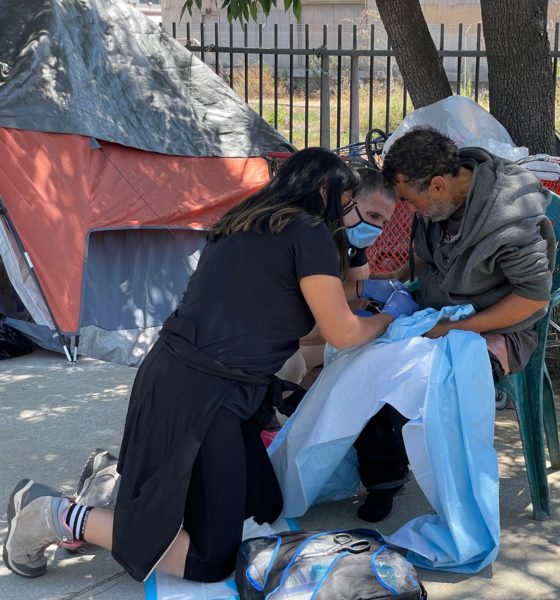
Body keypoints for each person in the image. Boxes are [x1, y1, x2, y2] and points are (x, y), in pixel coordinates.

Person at [2, 148, 419, 584]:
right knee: (210, 560)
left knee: (263, 507)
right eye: (348, 199)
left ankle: (112, 481)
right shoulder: (308, 229)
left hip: (203, 386)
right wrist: (391, 316)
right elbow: (344, 333)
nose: (349, 212)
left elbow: (288, 321)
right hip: (202, 396)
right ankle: (53, 514)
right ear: (323, 190)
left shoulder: (245, 223)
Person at [348, 127, 555, 522]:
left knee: (426, 382)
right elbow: (429, 259)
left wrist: (459, 328)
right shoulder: (441, 205)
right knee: (362, 366)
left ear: (438, 186)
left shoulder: (509, 214)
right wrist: (392, 274)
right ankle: (385, 479)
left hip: (497, 328)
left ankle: (453, 494)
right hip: (432, 316)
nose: (408, 210)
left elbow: (534, 298)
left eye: (410, 201)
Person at [298, 167, 401, 372]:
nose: (377, 228)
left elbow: (357, 298)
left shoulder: (349, 242)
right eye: (372, 215)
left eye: (383, 222)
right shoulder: (312, 239)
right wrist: (387, 318)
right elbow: (311, 327)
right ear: (346, 202)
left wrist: (362, 283)